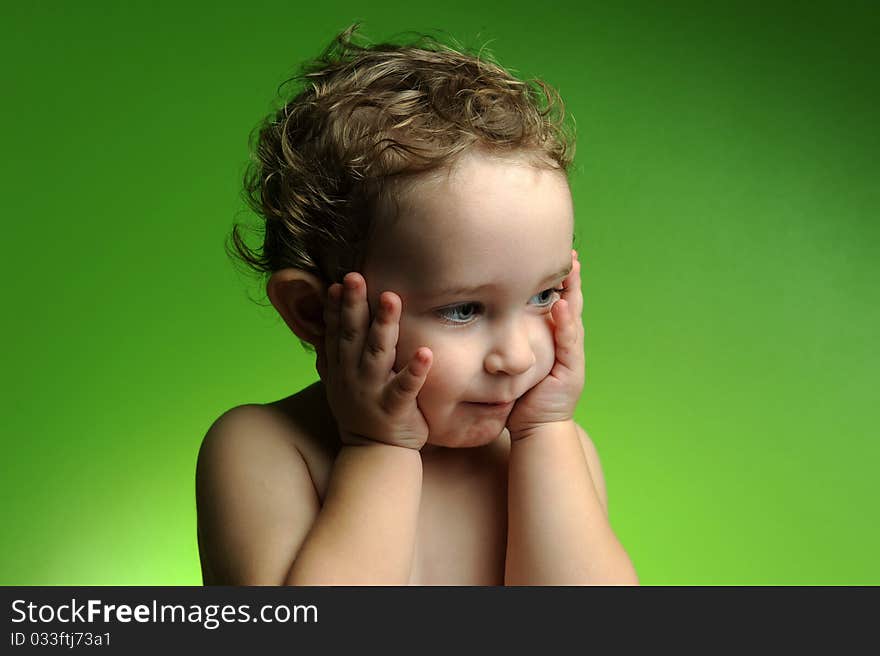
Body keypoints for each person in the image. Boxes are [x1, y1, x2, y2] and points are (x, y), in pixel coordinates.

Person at [195, 22, 638, 585]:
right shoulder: (265, 450)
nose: (517, 357)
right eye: (464, 310)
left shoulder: (551, 449)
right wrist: (379, 450)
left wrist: (546, 435)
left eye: (543, 295)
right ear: (313, 313)